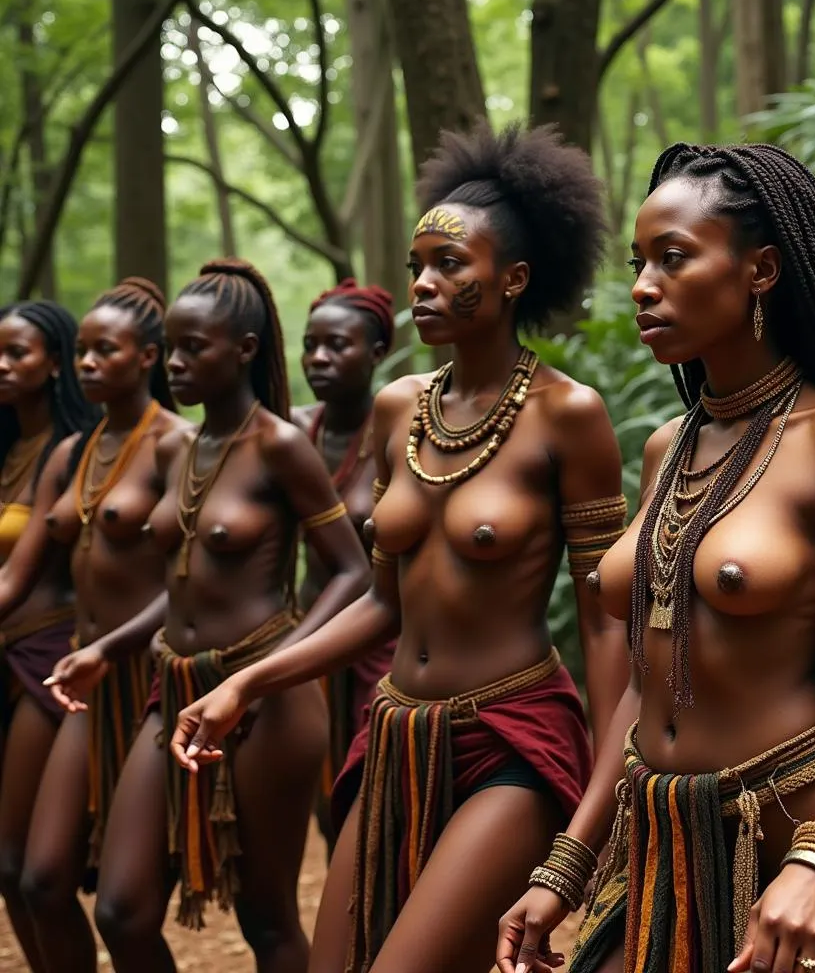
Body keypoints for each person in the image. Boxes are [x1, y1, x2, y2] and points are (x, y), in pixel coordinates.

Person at [170, 122, 631, 973]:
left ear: (513, 279)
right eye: (419, 262)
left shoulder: (570, 415)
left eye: (450, 265)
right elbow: (382, 601)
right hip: (395, 737)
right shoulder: (397, 409)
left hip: (512, 736)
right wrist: (249, 681)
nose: (422, 281)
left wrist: (597, 810)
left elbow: (608, 622)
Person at [497, 143, 815, 973]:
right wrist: (567, 864)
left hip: (795, 838)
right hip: (659, 847)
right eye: (639, 263)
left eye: (674, 258)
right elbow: (644, 680)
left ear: (762, 270)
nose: (643, 286)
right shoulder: (666, 448)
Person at [47, 259, 371, 973]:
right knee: (122, 908)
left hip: (269, 701)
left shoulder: (280, 446)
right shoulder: (182, 447)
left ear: (245, 351)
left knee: (266, 917)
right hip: (176, 686)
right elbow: (180, 579)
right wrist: (111, 648)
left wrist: (274, 670)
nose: (179, 364)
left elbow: (353, 570)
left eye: (197, 348)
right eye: (174, 348)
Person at [0, 279, 185, 973]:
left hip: (142, 678)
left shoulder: (177, 444)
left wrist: (114, 645)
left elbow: (191, 585)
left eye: (103, 350)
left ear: (148, 358)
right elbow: (17, 573)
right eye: (81, 350)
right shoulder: (71, 452)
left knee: (123, 906)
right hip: (81, 675)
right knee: (37, 877)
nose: (85, 363)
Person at [0, 300, 99, 969]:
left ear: (55, 363)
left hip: (48, 657)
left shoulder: (73, 451)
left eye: (16, 353)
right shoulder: (5, 445)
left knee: (27, 867)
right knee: (7, 873)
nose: (1, 367)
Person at [291, 278, 398, 852]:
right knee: (323, 807)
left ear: (377, 352)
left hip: (375, 646)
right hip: (305, 636)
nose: (319, 359)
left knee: (371, 802)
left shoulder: (397, 431)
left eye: (337, 345)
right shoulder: (290, 430)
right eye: (311, 345)